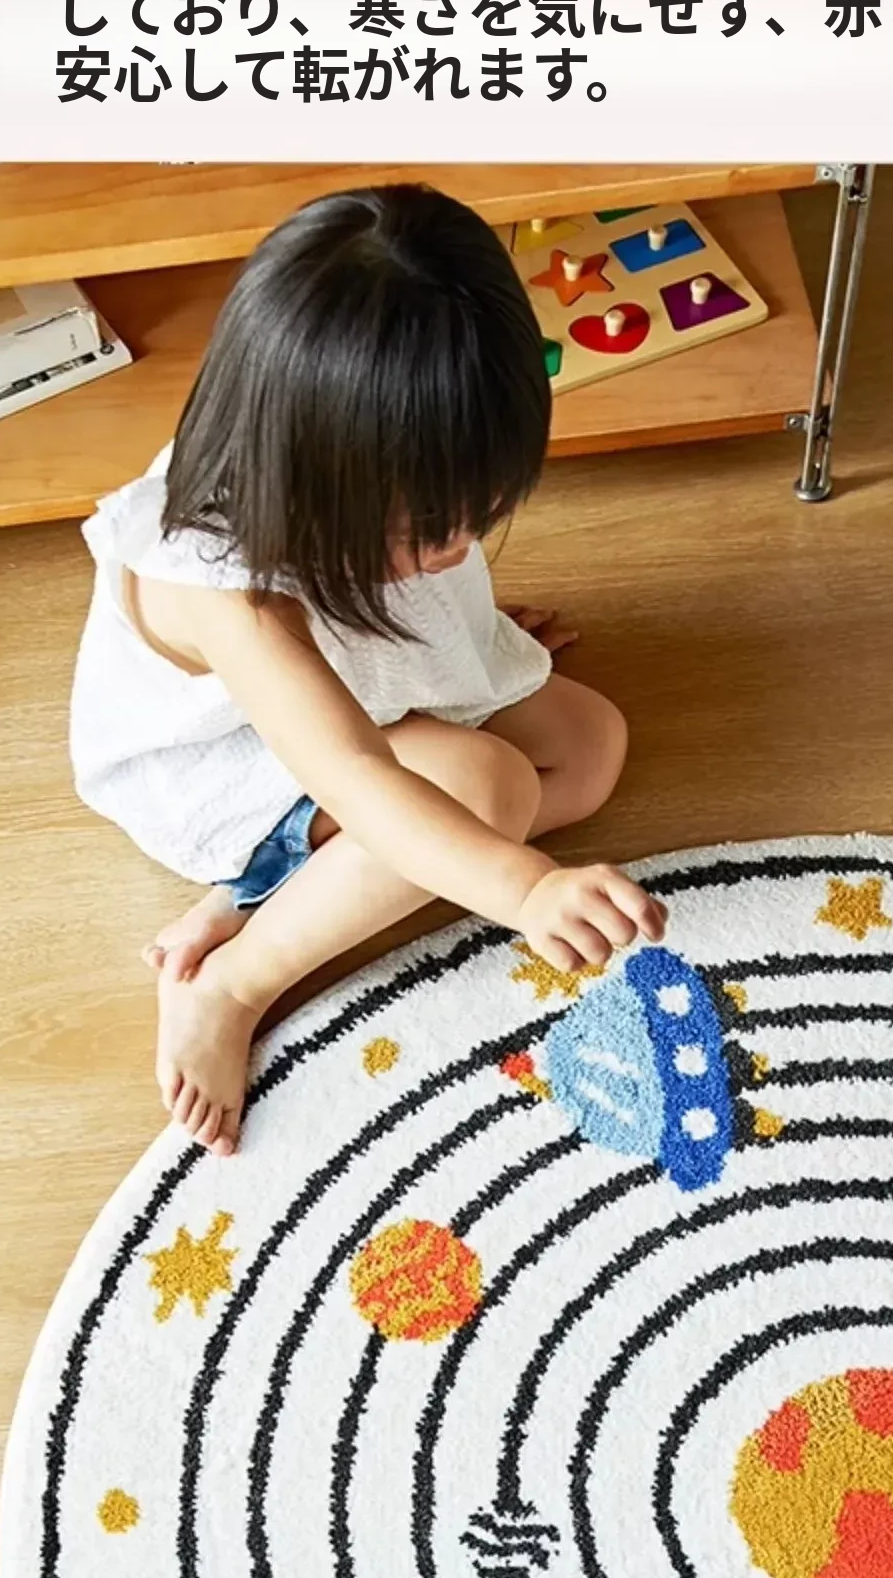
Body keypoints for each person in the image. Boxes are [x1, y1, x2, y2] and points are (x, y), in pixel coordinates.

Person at [69, 183, 664, 1160]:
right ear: (322, 482)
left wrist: (459, 633)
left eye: (478, 517)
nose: (458, 549)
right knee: (487, 787)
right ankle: (231, 975)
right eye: (429, 532)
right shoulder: (226, 587)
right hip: (241, 763)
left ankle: (301, 880)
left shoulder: (335, 462)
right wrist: (525, 892)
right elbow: (352, 773)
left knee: (591, 747)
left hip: (347, 701)